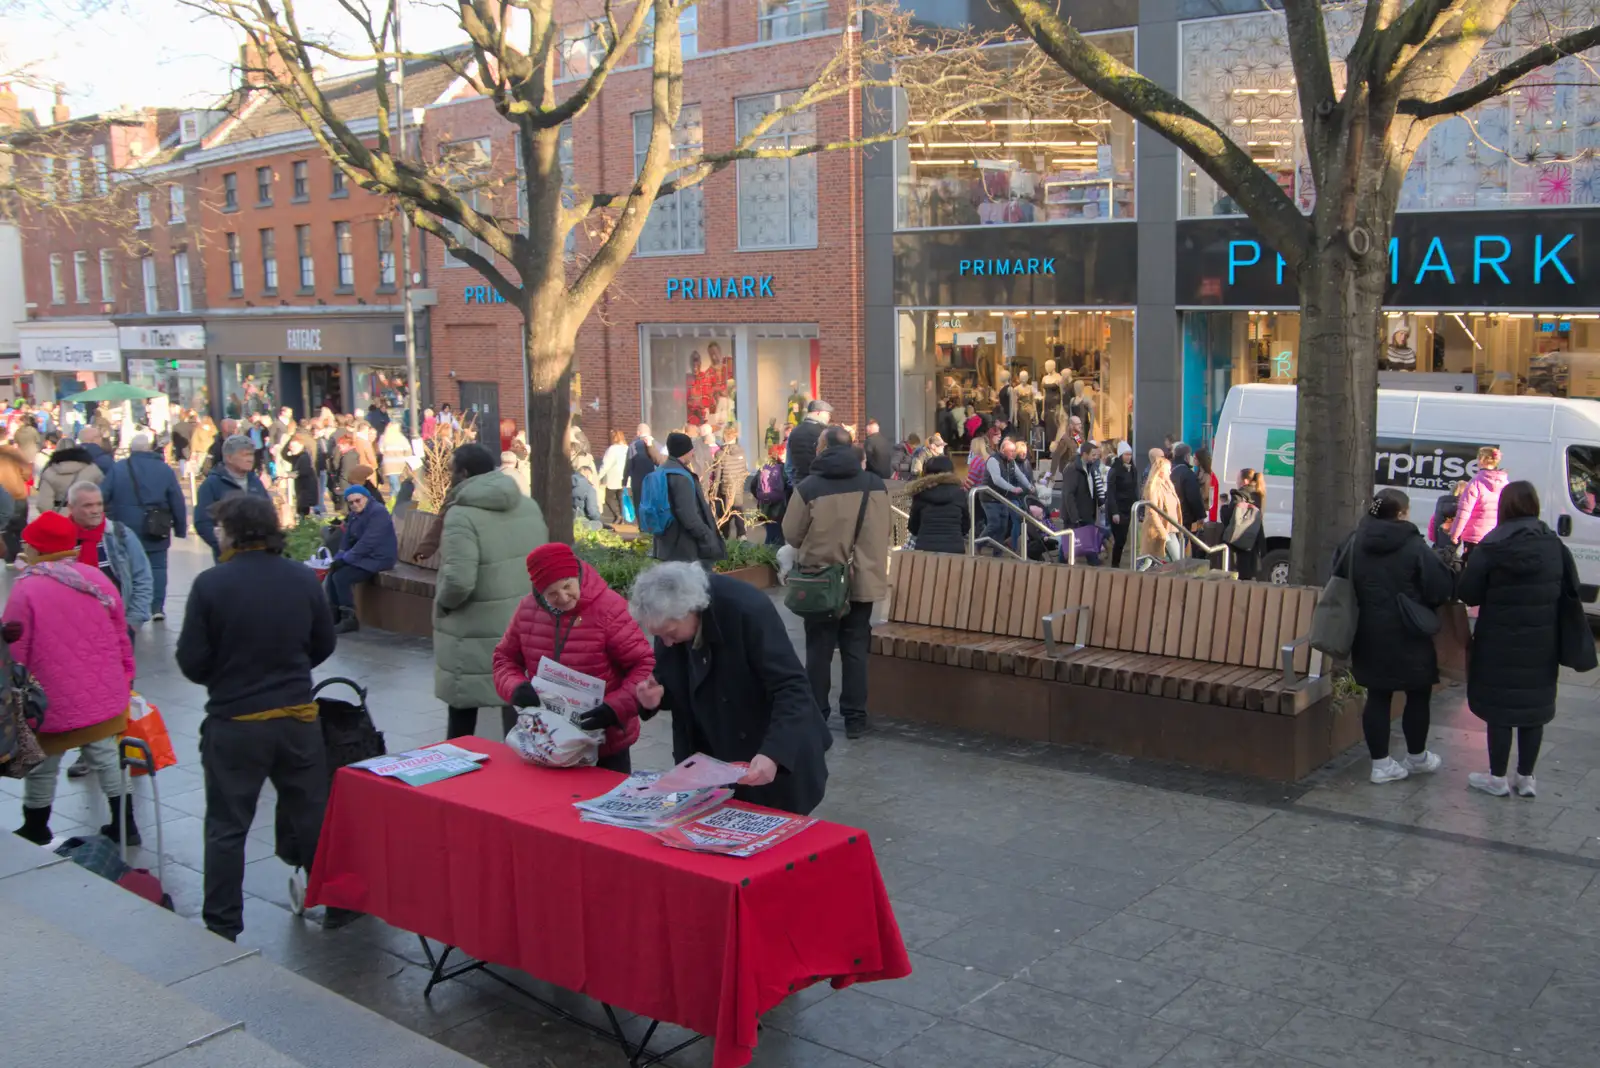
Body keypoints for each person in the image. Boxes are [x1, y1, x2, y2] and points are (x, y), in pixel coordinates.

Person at [174, 495, 356, 941]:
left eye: (219, 528)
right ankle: (337, 902)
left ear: (235, 532)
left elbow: (191, 661)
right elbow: (323, 643)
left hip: (236, 723)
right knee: (311, 811)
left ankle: (221, 923)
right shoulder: (300, 577)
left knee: (227, 824)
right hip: (296, 719)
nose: (215, 534)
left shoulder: (211, 585)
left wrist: (231, 675)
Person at [629, 562, 832, 814]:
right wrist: (655, 698)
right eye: (659, 636)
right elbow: (679, 681)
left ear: (691, 610)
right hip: (712, 760)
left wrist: (774, 754)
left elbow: (792, 687)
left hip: (767, 750)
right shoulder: (671, 622)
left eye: (670, 633)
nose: (666, 643)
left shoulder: (746, 610)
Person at [7, 512, 138, 848]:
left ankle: (36, 826)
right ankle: (126, 824)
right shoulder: (96, 578)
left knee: (43, 765)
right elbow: (120, 633)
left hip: (52, 699)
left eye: (27, 543)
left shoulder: (27, 588)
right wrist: (125, 673)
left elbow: (15, 650)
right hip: (101, 693)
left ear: (38, 548)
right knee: (106, 757)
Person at [1458, 480, 1580, 797]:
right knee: (1532, 709)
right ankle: (1526, 778)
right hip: (1542, 642)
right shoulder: (1555, 546)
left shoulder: (1491, 545)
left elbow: (1468, 593)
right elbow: (1571, 589)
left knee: (1500, 710)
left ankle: (1496, 778)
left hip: (1497, 640)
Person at [496, 544, 655, 771]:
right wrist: (514, 687)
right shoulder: (527, 610)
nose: (562, 597)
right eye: (552, 594)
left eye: (567, 586)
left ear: (577, 576)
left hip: (605, 740)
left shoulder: (609, 608)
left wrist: (615, 708)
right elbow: (503, 659)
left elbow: (645, 665)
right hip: (547, 740)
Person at [1335, 489, 1456, 784]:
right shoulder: (1413, 544)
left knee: (1377, 694)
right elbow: (1440, 587)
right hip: (1410, 630)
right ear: (1401, 513)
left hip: (1368, 630)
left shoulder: (1354, 540)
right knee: (1418, 692)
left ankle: (1380, 764)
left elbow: (1337, 578)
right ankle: (1417, 757)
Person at [432, 443, 550, 740]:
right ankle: (518, 770)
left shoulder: (462, 515)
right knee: (513, 697)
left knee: (463, 707)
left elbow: (458, 580)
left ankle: (456, 772)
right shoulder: (527, 505)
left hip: (473, 625)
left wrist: (444, 605)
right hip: (522, 620)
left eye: (451, 471)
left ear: (465, 473)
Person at [783, 425, 892, 738]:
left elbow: (791, 534)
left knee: (818, 650)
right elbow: (884, 530)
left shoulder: (809, 487)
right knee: (856, 649)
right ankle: (855, 719)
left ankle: (817, 717)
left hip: (821, 581)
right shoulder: (875, 484)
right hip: (862, 580)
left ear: (824, 448)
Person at [102, 432, 186, 622]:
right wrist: (180, 528)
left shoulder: (118, 468)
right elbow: (177, 499)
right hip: (158, 525)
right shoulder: (164, 469)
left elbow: (103, 495)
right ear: (148, 449)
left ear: (130, 450)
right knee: (157, 566)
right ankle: (157, 607)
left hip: (125, 524)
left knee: (127, 566)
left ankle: (132, 605)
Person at [324, 485, 397, 632]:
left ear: (366, 498)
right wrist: (339, 557)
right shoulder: (354, 514)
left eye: (358, 500)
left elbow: (369, 541)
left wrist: (346, 559)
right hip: (362, 556)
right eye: (351, 503)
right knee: (333, 573)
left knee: (342, 577)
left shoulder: (378, 512)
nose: (355, 505)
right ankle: (334, 615)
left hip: (379, 557)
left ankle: (349, 618)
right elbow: (347, 539)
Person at [651, 432, 725, 566]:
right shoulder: (681, 477)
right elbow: (688, 515)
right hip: (683, 546)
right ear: (685, 451)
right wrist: (706, 534)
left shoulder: (661, 471)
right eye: (691, 450)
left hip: (665, 542)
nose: (692, 453)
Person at [195, 436, 272, 560]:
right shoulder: (212, 484)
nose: (250, 459)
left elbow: (269, 514)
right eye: (245, 455)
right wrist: (222, 545)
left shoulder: (255, 482)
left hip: (259, 554)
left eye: (251, 455)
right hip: (229, 557)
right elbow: (202, 522)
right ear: (229, 457)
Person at [1451, 447, 1509, 559]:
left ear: (1481, 460)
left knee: (1470, 569)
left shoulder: (1476, 483)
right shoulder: (1505, 483)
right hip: (1495, 535)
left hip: (1474, 537)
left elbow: (1464, 511)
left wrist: (1455, 533)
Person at [906, 454, 969, 554]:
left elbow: (913, 527)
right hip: (954, 549)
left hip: (925, 549)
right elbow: (966, 526)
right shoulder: (959, 493)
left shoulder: (920, 493)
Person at [982, 438, 1030, 556]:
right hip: (990, 497)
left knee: (1003, 527)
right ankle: (978, 544)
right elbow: (997, 479)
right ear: (1003, 450)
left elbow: (1020, 475)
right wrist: (1012, 488)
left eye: (1014, 451)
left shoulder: (1011, 462)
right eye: (1011, 451)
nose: (1014, 453)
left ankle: (997, 553)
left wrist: (1029, 485)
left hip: (1003, 498)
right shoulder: (993, 460)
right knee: (994, 524)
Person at [32, 440, 103, 514]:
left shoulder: (50, 471)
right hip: (86, 514)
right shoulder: (92, 469)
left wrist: (53, 518)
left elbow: (43, 504)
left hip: (60, 517)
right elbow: (103, 493)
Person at [1139, 454, 1184, 564]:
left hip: (1171, 528)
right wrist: (1163, 533)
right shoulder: (1153, 487)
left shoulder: (1168, 484)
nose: (1170, 472)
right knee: (1178, 561)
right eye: (1168, 470)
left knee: (1149, 562)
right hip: (1160, 530)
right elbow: (1152, 513)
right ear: (1160, 471)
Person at [709, 423, 749, 539]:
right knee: (738, 510)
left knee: (725, 514)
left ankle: (724, 539)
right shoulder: (741, 451)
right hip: (738, 486)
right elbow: (744, 470)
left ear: (724, 436)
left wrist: (714, 492)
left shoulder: (720, 454)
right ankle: (742, 535)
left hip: (725, 488)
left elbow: (717, 476)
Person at [1104, 441, 1138, 568]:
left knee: (1124, 538)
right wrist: (1114, 512)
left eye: (1130, 455)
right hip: (1117, 508)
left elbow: (1134, 489)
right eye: (1126, 455)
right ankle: (1115, 563)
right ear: (1120, 455)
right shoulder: (1114, 470)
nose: (1128, 457)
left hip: (1129, 507)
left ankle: (1117, 562)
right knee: (1120, 538)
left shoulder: (1133, 469)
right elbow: (1111, 493)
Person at [785, 399, 832, 484]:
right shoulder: (825, 432)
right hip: (821, 483)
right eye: (828, 414)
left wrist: (794, 482)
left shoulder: (794, 432)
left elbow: (789, 465)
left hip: (799, 483)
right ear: (818, 413)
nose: (829, 417)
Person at [623, 423, 659, 521]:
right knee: (652, 502)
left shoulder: (633, 445)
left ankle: (642, 526)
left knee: (639, 503)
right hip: (653, 479)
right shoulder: (656, 444)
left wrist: (624, 481)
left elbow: (629, 464)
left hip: (637, 480)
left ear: (638, 432)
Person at [1170, 442, 1204, 533]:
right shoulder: (1188, 474)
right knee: (1182, 544)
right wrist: (1200, 515)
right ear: (1187, 456)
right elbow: (1194, 497)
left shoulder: (1169, 470)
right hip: (1184, 517)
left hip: (1169, 516)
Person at [598, 429, 629, 524]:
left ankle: (617, 515)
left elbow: (606, 465)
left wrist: (598, 476)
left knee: (608, 498)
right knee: (621, 497)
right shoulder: (627, 448)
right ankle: (622, 518)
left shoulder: (612, 449)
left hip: (613, 477)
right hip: (625, 477)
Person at [285, 436, 319, 516]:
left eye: (293, 447)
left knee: (303, 513)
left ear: (301, 446)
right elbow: (284, 454)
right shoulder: (298, 456)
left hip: (306, 490)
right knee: (302, 512)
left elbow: (303, 472)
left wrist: (288, 474)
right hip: (303, 490)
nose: (291, 449)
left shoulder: (304, 457)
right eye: (290, 447)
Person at [378, 421, 410, 498]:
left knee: (394, 484)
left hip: (389, 465)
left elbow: (381, 450)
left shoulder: (384, 438)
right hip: (400, 464)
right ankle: (397, 502)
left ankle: (394, 501)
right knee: (398, 484)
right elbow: (408, 450)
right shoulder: (402, 438)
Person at [1195, 447, 1221, 525]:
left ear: (1201, 460)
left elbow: (1206, 495)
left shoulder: (1209, 476)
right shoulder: (1199, 472)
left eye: (1195, 458)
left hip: (1206, 511)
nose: (1193, 460)